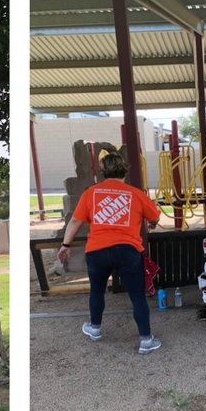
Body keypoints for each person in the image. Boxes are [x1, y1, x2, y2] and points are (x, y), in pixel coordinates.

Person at [58, 151, 164, 354]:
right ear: (125, 170)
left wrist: (66, 245)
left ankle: (95, 329)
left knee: (97, 291)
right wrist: (151, 222)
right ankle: (145, 339)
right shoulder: (135, 193)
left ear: (102, 171)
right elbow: (155, 216)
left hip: (97, 250)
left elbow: (75, 221)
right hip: (127, 250)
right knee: (137, 296)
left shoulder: (91, 193)